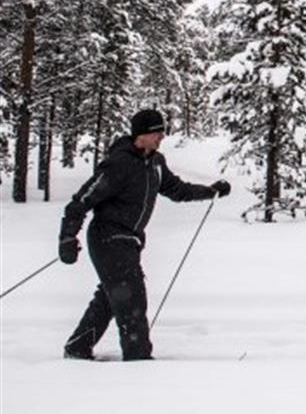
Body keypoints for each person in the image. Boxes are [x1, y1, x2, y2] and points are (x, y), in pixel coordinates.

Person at [59, 109, 230, 361]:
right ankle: (138, 358)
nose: (161, 136)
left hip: (131, 241)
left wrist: (210, 190)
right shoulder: (119, 164)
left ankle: (77, 347)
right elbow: (81, 201)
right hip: (107, 237)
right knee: (131, 296)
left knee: (112, 296)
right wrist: (67, 237)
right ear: (141, 134)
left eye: (162, 131)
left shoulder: (156, 163)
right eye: (156, 132)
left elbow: (177, 190)